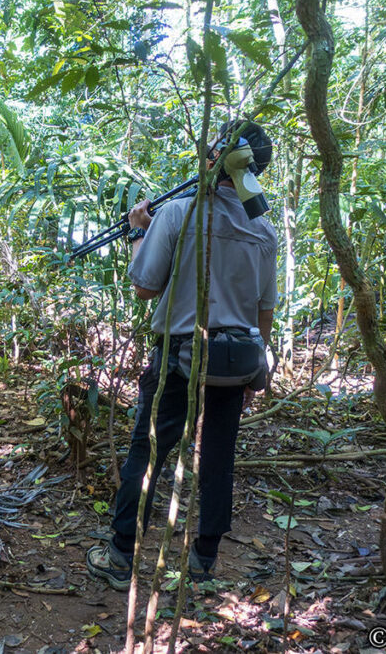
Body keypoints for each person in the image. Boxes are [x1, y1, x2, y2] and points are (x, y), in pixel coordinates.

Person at [86, 120, 278, 589]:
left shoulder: (178, 213)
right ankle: (204, 561)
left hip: (178, 356)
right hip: (236, 361)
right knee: (218, 456)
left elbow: (144, 287)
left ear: (216, 157)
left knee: (148, 451)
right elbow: (263, 312)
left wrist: (139, 232)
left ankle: (120, 554)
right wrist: (258, 369)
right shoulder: (264, 230)